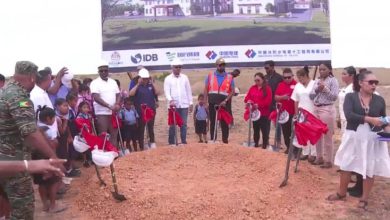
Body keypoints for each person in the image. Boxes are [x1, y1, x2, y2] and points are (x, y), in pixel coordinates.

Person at [0, 61, 62, 219]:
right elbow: (30, 132)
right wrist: (52, 157)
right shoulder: (19, 96)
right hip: (15, 164)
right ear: (32, 78)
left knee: (7, 207)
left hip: (3, 163)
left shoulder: (5, 91)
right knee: (23, 212)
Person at [327, 70, 390, 210]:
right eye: (371, 82)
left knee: (369, 167)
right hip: (354, 136)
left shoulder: (379, 100)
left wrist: (388, 133)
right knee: (346, 165)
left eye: (376, 82)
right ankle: (341, 193)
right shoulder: (351, 97)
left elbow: (384, 120)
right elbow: (349, 115)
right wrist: (370, 119)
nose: (374, 85)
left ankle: (364, 198)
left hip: (372, 138)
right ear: (361, 83)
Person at [33, 106, 67, 213]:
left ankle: (45, 204)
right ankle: (53, 205)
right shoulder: (48, 131)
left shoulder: (36, 128)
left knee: (41, 182)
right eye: (53, 118)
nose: (54, 121)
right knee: (54, 182)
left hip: (36, 160)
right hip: (48, 159)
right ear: (48, 118)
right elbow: (52, 146)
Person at [309, 61, 339, 168]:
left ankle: (328, 160)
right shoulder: (317, 80)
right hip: (316, 108)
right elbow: (311, 96)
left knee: (327, 135)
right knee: (317, 134)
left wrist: (325, 89)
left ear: (329, 70)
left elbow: (334, 97)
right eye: (320, 69)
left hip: (327, 108)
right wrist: (317, 89)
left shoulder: (333, 81)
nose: (321, 71)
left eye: (324, 69)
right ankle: (319, 157)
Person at [204, 58, 235, 144]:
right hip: (212, 102)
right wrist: (205, 101)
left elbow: (232, 91)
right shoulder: (210, 76)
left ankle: (225, 141)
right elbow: (206, 89)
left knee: (224, 122)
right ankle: (213, 139)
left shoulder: (230, 77)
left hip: (224, 103)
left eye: (223, 65)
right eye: (220, 65)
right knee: (213, 121)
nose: (222, 66)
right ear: (216, 66)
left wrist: (226, 100)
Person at [90, 60, 121, 148]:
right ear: (98, 72)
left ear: (108, 70)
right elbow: (96, 97)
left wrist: (117, 104)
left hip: (113, 112)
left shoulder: (113, 82)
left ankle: (113, 154)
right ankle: (103, 155)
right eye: (101, 71)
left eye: (105, 70)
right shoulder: (95, 83)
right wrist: (109, 106)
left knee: (114, 134)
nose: (103, 72)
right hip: (101, 113)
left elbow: (118, 94)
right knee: (103, 135)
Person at [164, 58, 193, 145]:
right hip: (173, 106)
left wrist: (190, 102)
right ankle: (171, 142)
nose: (178, 69)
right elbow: (166, 91)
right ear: (172, 68)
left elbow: (188, 91)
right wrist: (170, 100)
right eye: (176, 67)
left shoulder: (185, 78)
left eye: (180, 67)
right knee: (173, 125)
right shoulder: (168, 79)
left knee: (184, 124)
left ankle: (183, 141)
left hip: (184, 105)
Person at [291, 66, 317, 162]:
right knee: (304, 133)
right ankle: (305, 152)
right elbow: (295, 100)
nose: (299, 80)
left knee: (313, 133)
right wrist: (296, 113)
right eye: (298, 78)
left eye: (300, 77)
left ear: (305, 76)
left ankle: (313, 153)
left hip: (313, 112)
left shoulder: (314, 84)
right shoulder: (298, 86)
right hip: (302, 112)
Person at [129, 68, 158, 149]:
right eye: (144, 78)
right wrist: (138, 84)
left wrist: (152, 83)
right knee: (141, 129)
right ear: (140, 78)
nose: (145, 80)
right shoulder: (136, 85)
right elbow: (130, 94)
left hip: (151, 110)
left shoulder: (150, 85)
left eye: (147, 78)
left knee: (150, 127)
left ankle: (152, 142)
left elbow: (157, 92)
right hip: (140, 111)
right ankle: (141, 146)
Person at [244, 72, 272, 148]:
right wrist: (248, 101)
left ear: (262, 80)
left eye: (258, 80)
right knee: (255, 129)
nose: (256, 82)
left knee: (264, 130)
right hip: (254, 113)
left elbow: (268, 101)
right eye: (255, 80)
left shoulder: (267, 89)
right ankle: (256, 144)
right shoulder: (252, 88)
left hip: (264, 113)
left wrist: (259, 105)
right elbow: (247, 98)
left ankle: (264, 145)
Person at [30, 68, 59, 141]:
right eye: (50, 80)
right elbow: (42, 116)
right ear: (47, 80)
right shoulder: (37, 95)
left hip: (47, 133)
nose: (51, 82)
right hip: (46, 135)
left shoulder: (41, 92)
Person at [274, 68, 297, 154]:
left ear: (292, 76)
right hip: (283, 113)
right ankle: (288, 147)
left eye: (289, 77)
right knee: (285, 131)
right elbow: (275, 97)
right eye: (285, 77)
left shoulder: (297, 85)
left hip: (294, 112)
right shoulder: (280, 85)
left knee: (294, 132)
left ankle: (296, 149)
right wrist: (282, 97)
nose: (287, 79)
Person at [264, 60, 284, 147]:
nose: (266, 69)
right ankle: (266, 140)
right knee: (266, 123)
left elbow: (282, 89)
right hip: (267, 104)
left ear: (272, 67)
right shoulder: (264, 77)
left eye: (267, 68)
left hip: (276, 104)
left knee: (277, 124)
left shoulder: (279, 78)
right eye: (265, 68)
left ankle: (278, 142)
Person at [338, 66, 357, 132]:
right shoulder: (344, 88)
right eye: (342, 74)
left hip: (350, 119)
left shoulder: (354, 88)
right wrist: (339, 117)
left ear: (351, 76)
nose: (342, 76)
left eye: (344, 74)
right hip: (343, 118)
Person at [76, 101, 93, 167]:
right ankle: (85, 160)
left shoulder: (89, 116)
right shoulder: (79, 116)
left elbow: (91, 124)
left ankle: (91, 159)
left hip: (89, 132)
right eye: (84, 107)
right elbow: (79, 124)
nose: (86, 109)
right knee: (84, 146)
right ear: (80, 108)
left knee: (90, 145)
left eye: (87, 107)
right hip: (83, 133)